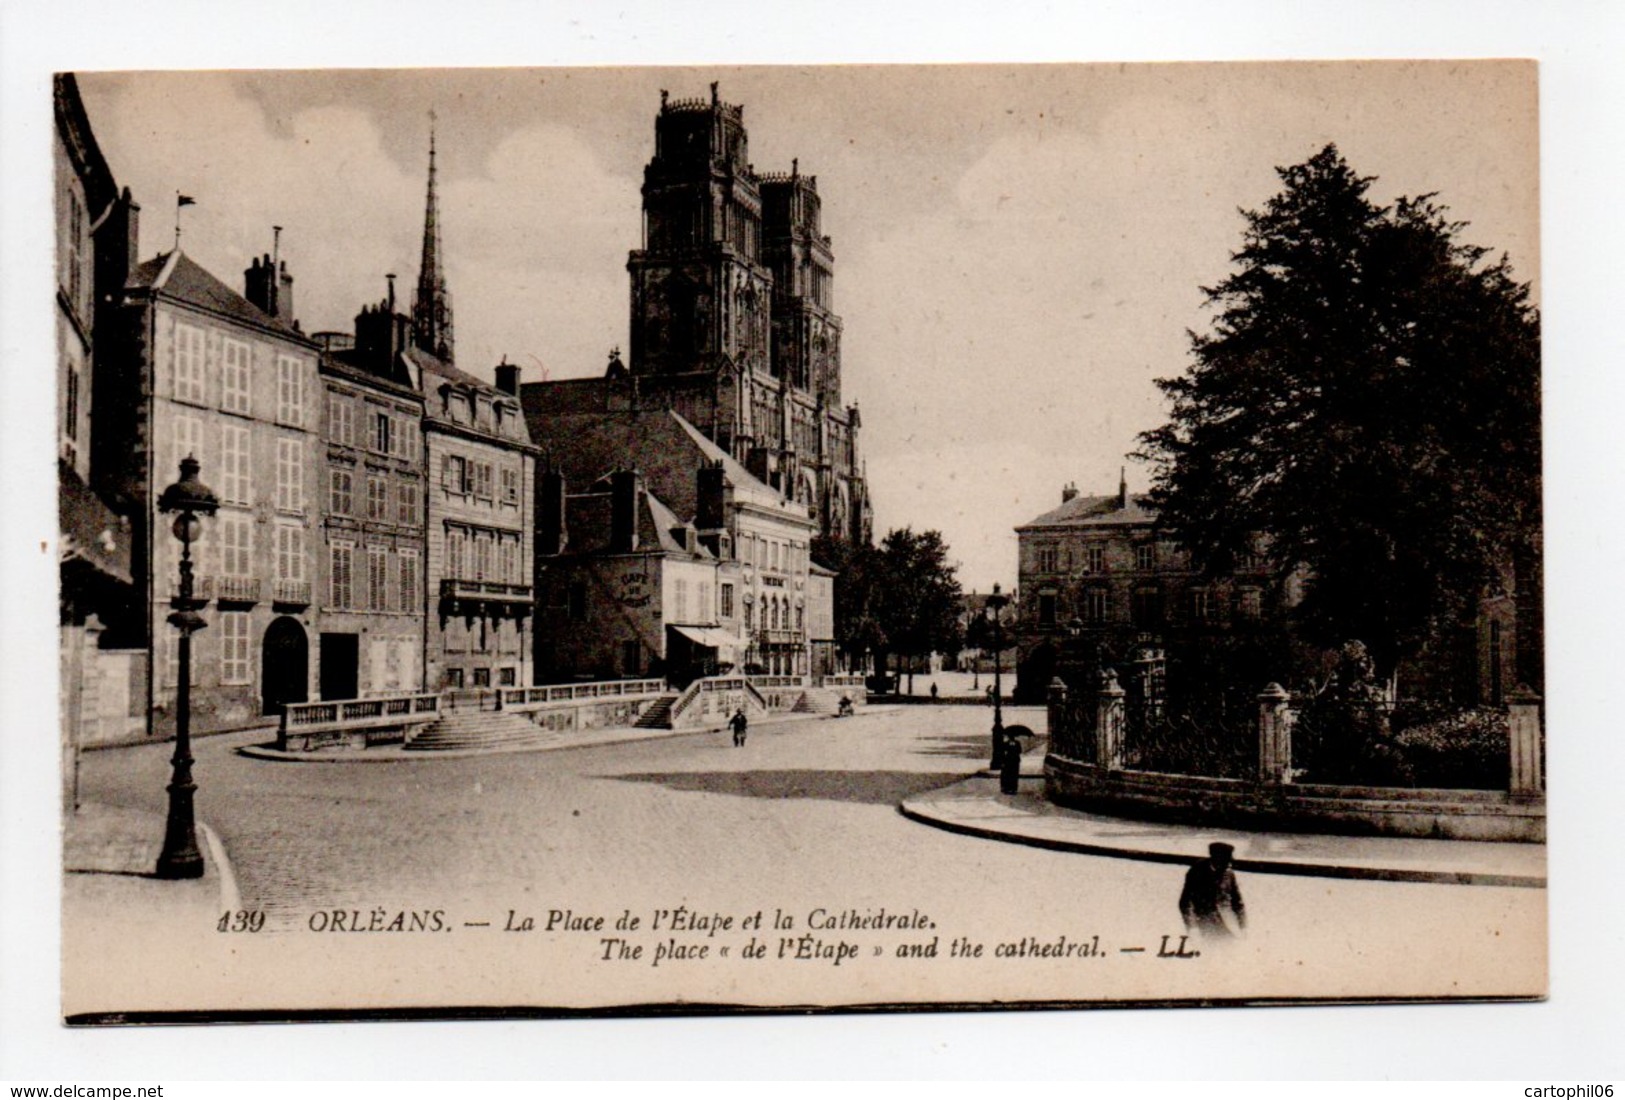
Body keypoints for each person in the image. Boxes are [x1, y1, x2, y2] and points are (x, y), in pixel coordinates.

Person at [1179, 842, 1246, 937]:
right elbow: (1186, 903)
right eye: (1227, 858)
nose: (1231, 861)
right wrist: (1193, 928)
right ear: (1217, 858)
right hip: (1206, 926)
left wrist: (1243, 926)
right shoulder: (1197, 872)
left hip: (1230, 925)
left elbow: (1238, 903)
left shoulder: (1229, 873)